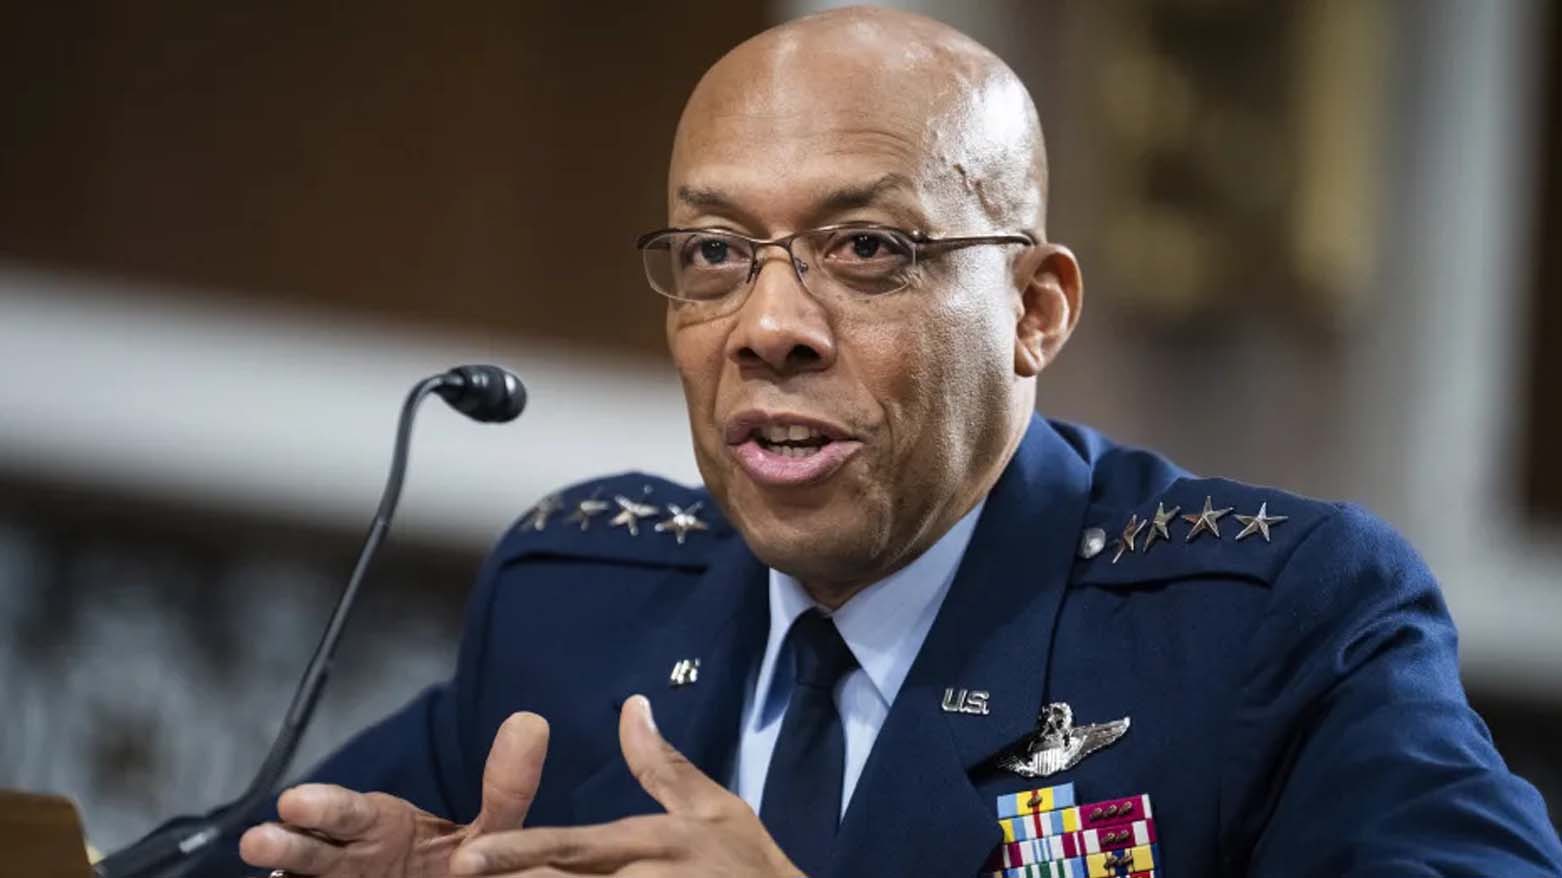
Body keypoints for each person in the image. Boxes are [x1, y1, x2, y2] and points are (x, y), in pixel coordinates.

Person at [232, 7, 1562, 878]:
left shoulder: (1265, 626)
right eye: (712, 253)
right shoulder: (578, 601)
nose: (767, 326)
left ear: (1033, 311)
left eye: (865, 248)